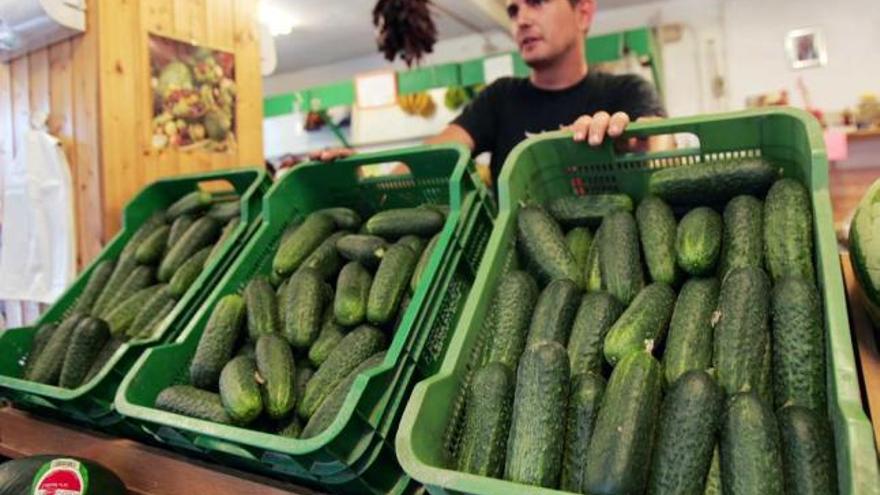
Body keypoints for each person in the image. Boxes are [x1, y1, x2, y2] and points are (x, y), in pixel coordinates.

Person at [312, 0, 666, 181]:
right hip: (518, 274)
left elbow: (662, 145)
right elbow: (435, 156)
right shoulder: (501, 98)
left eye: (537, 1)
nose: (521, 19)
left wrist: (631, 141)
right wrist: (369, 177)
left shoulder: (625, 91)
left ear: (584, 13)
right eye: (513, 10)